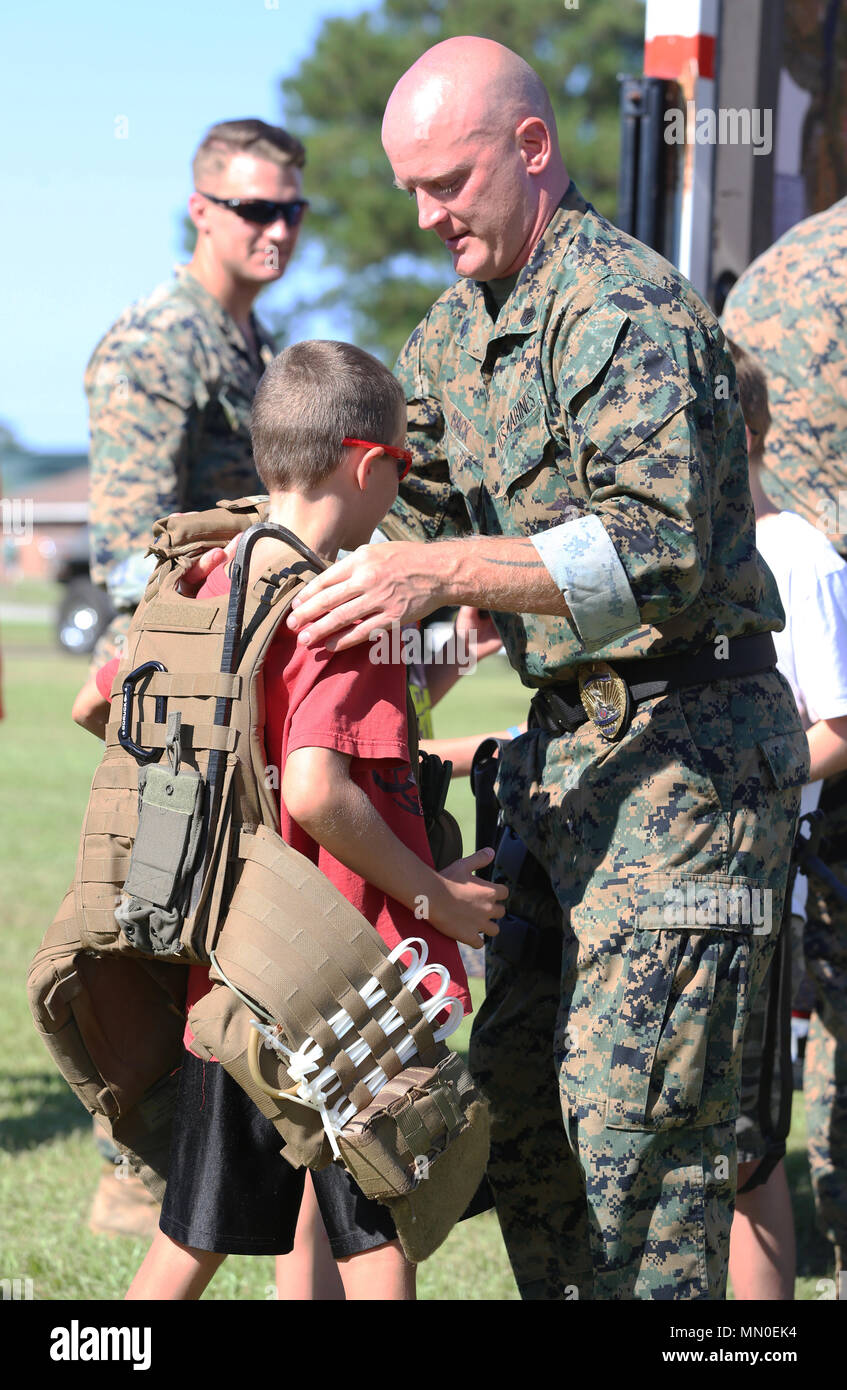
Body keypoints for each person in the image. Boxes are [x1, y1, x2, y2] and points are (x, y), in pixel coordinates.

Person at [283, 37, 809, 1301]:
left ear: (531, 149)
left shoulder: (621, 308)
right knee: (517, 1125)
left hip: (689, 766)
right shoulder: (457, 340)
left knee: (642, 1154)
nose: (425, 216)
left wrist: (446, 575)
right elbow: (394, 543)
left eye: (448, 182)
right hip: (569, 768)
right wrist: (269, 611)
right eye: (410, 188)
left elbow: (664, 547)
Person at [73, 339, 506, 1300]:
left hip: (233, 969)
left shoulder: (206, 577)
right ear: (366, 463)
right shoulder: (344, 603)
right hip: (344, 978)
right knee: (379, 1232)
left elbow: (98, 704)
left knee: (190, 1238)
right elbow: (317, 787)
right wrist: (435, 896)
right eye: (402, 467)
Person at [723, 203, 847, 1288]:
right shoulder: (752, 552)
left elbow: (834, 725)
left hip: (769, 859)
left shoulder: (793, 556)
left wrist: (743, 786)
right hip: (741, 866)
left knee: (752, 1118)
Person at [85, 117, 307, 670]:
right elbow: (134, 559)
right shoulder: (155, 346)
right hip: (169, 663)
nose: (278, 231)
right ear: (200, 211)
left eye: (291, 211)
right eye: (256, 210)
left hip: (241, 642)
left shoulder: (258, 346)